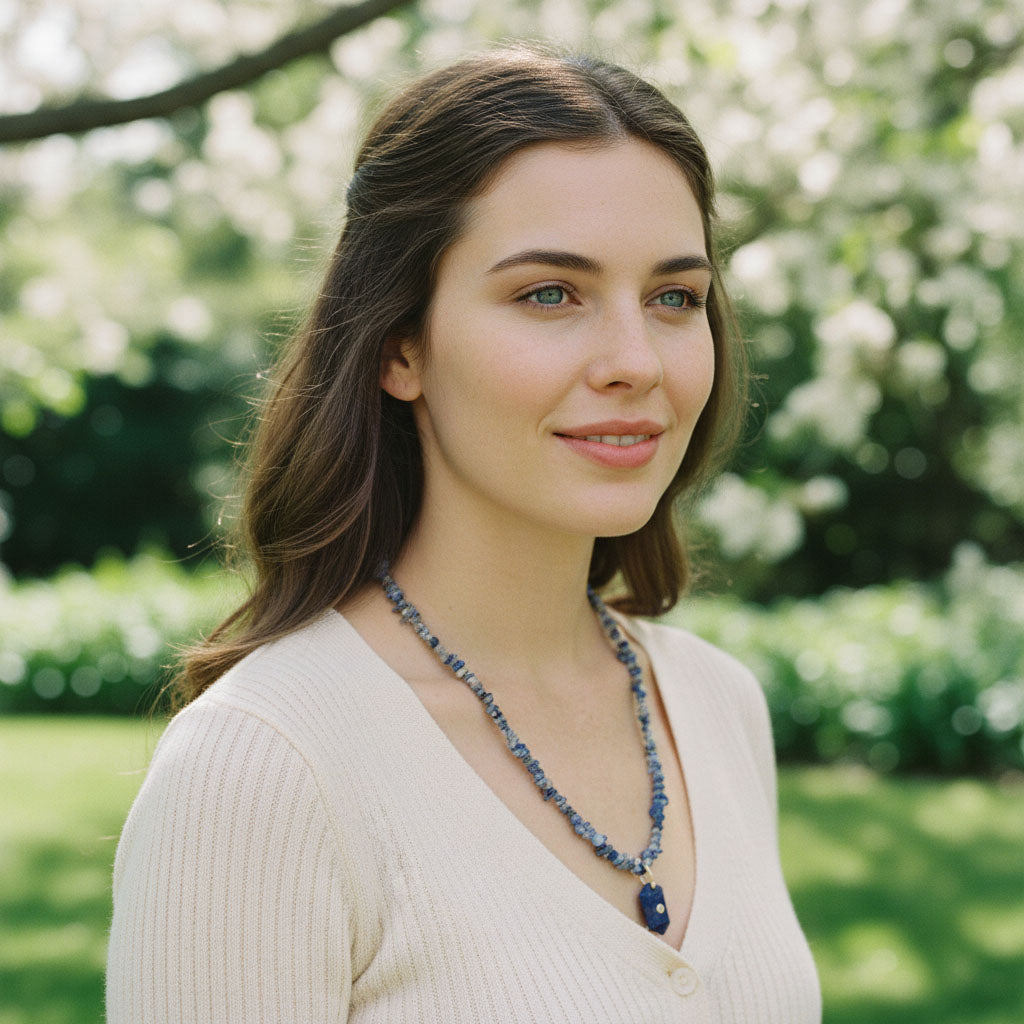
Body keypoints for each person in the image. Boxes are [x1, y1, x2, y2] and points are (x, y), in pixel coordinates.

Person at [106, 45, 821, 1023]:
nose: (636, 361)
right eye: (549, 293)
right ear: (400, 346)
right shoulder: (265, 767)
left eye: (674, 298)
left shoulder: (716, 705)